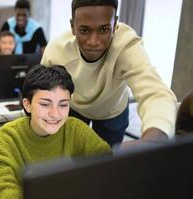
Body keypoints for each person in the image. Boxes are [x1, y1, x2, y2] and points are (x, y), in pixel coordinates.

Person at [41, 0, 177, 147]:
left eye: (104, 30)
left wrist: (153, 141)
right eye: (84, 30)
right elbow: (41, 89)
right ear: (73, 26)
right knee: (72, 155)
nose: (93, 42)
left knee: (107, 159)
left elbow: (155, 93)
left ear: (115, 25)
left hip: (113, 111)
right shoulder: (57, 51)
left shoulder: (126, 46)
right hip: (75, 108)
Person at [0, 65, 110, 199]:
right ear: (27, 105)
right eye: (45, 104)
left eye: (63, 105)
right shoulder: (7, 137)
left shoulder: (75, 128)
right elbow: (3, 187)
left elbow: (108, 164)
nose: (55, 114)